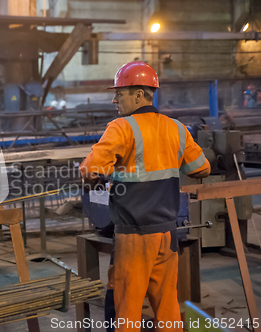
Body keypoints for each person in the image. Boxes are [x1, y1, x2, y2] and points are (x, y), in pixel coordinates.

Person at [80, 61, 210, 332]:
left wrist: (93, 179)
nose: (114, 99)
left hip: (134, 240)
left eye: (120, 93)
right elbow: (202, 169)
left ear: (139, 94)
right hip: (167, 236)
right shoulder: (177, 128)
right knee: (167, 309)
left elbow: (91, 169)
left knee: (125, 312)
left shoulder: (121, 127)